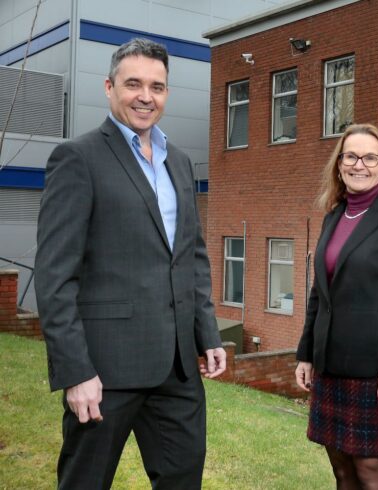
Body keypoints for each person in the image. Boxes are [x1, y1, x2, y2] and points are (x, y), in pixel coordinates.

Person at [35, 38, 226, 489]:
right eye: (134, 84)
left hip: (178, 369)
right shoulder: (77, 158)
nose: (146, 96)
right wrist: (76, 371)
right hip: (105, 370)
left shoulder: (178, 161)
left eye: (157, 87)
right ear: (109, 87)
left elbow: (191, 255)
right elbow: (55, 276)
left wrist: (207, 333)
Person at [295, 123, 378, 489]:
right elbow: (319, 293)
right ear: (339, 165)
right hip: (329, 368)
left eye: (370, 157)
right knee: (341, 469)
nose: (359, 165)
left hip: (372, 373)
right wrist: (306, 354)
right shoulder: (333, 217)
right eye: (350, 156)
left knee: (370, 470)